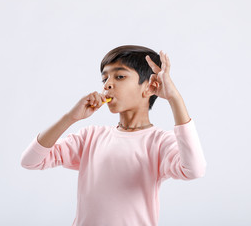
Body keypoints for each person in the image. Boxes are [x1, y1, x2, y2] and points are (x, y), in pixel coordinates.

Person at [20, 45, 207, 226]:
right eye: (104, 79)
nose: (108, 84)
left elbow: (194, 170)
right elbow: (30, 161)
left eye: (119, 76)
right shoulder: (91, 137)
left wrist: (175, 98)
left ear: (150, 87)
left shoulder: (160, 142)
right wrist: (70, 118)